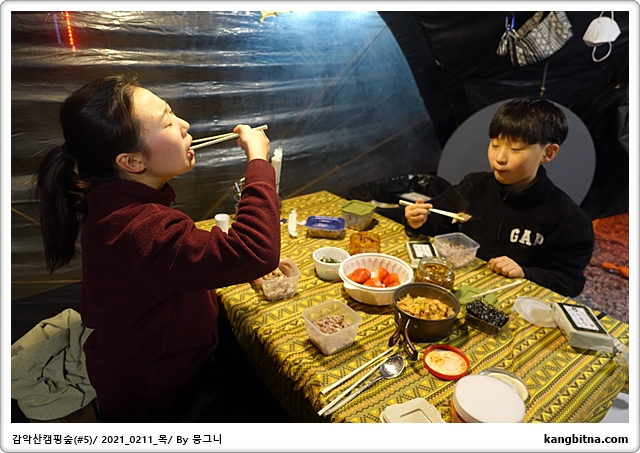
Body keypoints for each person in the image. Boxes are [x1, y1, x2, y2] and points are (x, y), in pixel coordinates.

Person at [34, 74, 283, 422]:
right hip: (159, 397)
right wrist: (258, 161)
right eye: (167, 122)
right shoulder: (138, 227)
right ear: (132, 162)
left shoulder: (112, 202)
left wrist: (222, 266)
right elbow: (256, 250)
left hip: (150, 373)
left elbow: (169, 269)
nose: (184, 125)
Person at [404, 99, 594, 297]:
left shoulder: (568, 218)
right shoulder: (474, 186)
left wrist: (525, 272)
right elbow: (436, 220)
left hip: (516, 300)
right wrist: (417, 220)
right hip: (464, 289)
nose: (500, 158)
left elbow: (570, 282)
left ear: (548, 153)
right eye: (495, 145)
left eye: (516, 149)